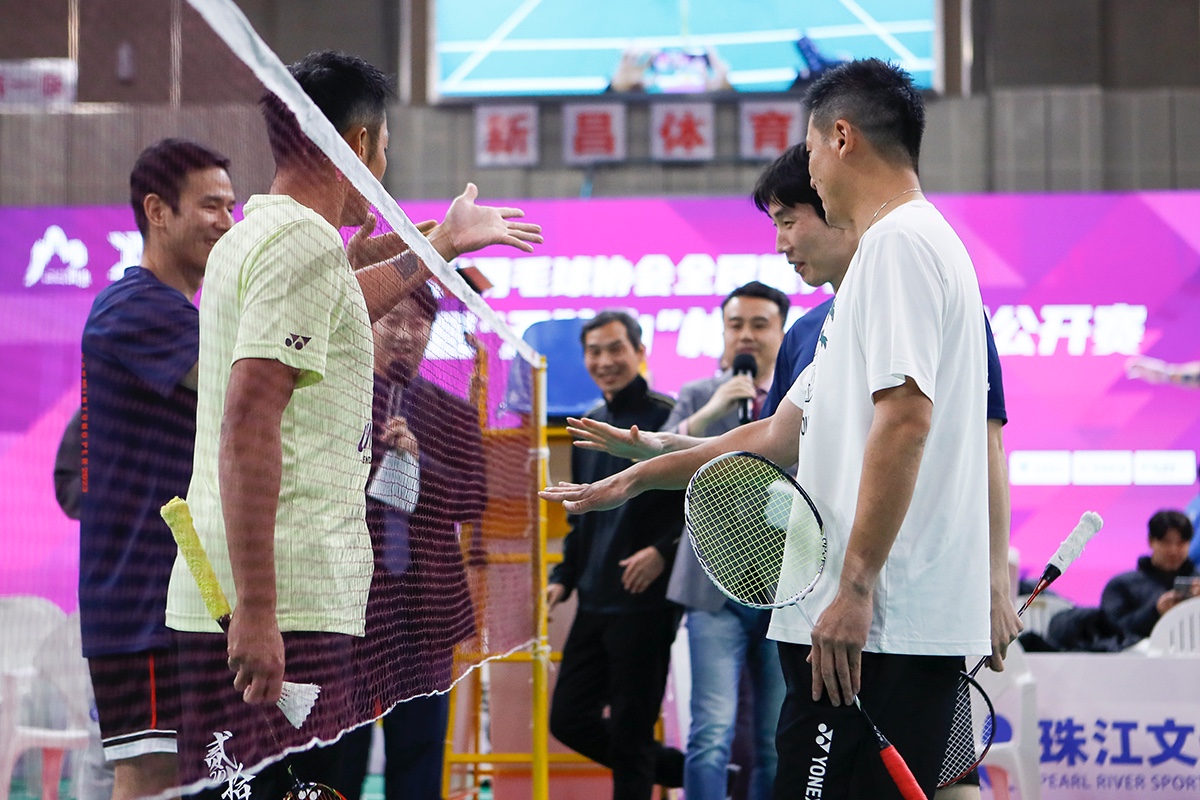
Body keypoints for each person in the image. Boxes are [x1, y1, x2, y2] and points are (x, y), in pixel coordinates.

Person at [543, 59, 993, 798]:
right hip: (864, 623)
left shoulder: (900, 245)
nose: (810, 174)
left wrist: (854, 588)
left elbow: (907, 421)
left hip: (873, 627)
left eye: (811, 152)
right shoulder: (868, 280)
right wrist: (648, 460)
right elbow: (780, 436)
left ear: (841, 138)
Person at [164, 49, 541, 796]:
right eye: (385, 148)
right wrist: (261, 613)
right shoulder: (301, 242)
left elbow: (342, 301)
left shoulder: (256, 235)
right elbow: (249, 422)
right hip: (286, 603)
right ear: (358, 146)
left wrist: (442, 244)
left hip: (266, 598)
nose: (384, 167)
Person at [80, 137, 236, 800]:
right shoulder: (137, 310)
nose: (227, 221)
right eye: (211, 205)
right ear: (158, 211)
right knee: (150, 781)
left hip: (188, 592)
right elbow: (252, 379)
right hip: (142, 599)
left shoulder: (176, 313)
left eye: (233, 205)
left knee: (191, 779)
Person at [338, 283, 486, 800]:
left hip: (424, 611)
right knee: (339, 756)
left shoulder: (454, 413)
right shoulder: (334, 396)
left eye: (417, 323)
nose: (404, 333)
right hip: (347, 608)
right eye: (392, 319)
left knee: (419, 758)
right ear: (370, 322)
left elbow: (474, 500)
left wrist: (421, 464)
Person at [546, 311, 686, 800]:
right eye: (595, 352)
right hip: (594, 599)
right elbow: (581, 514)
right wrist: (564, 575)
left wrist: (663, 552)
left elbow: (705, 500)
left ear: (640, 351)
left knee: (630, 732)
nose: (604, 361)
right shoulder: (588, 423)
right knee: (567, 720)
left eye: (615, 349)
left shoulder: (671, 417)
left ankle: (660, 766)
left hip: (646, 601)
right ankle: (686, 770)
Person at [662, 281, 789, 800]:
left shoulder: (797, 397)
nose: (747, 335)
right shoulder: (698, 394)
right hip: (715, 590)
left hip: (785, 588)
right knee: (710, 733)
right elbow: (657, 457)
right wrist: (716, 408)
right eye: (736, 324)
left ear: (782, 330)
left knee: (776, 738)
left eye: (760, 325)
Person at [1101, 510, 1198, 640]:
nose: (1173, 550)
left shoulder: (1197, 583)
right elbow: (1107, 631)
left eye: (1181, 543)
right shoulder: (1122, 586)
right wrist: (1156, 612)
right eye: (1166, 542)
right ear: (1151, 541)